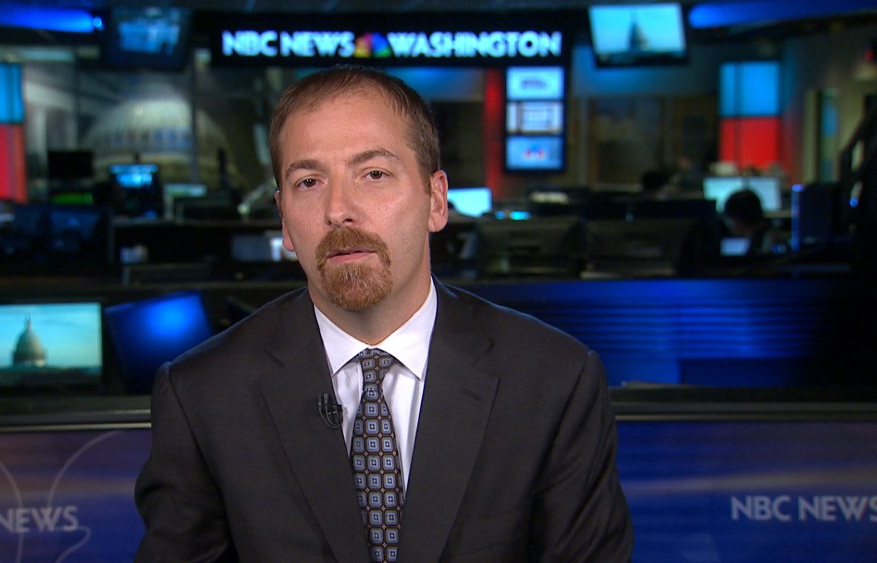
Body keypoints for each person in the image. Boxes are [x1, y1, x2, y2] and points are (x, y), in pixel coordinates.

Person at [134, 65, 633, 562]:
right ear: (284, 219)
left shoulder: (554, 381)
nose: (338, 209)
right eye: (309, 182)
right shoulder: (203, 395)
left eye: (374, 174)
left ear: (436, 200)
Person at [722, 188, 779, 255]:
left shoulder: (767, 244)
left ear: (737, 220)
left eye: (730, 219)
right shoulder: (757, 237)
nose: (728, 224)